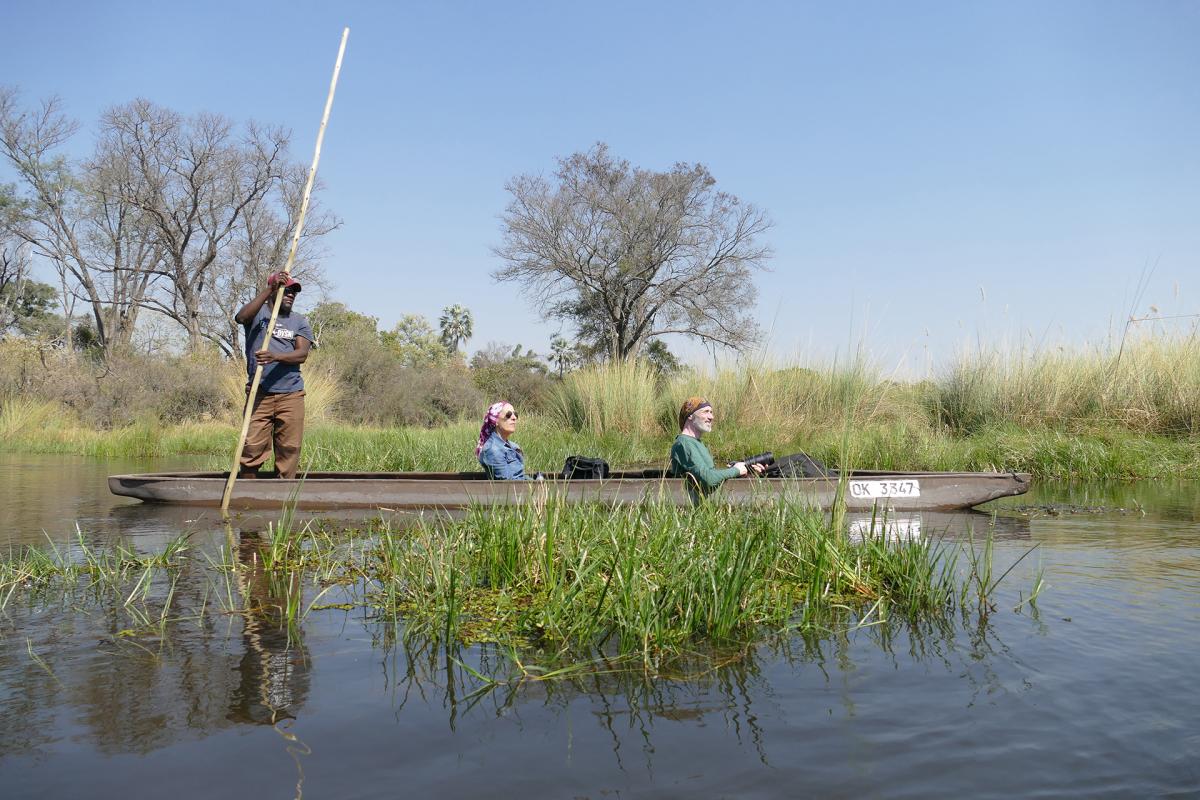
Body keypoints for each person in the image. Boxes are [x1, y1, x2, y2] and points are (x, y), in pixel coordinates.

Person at [233, 272, 313, 479]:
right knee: (252, 446)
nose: (291, 295)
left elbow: (302, 354)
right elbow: (241, 317)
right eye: (286, 290)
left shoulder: (299, 321)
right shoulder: (258, 315)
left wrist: (274, 356)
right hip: (260, 392)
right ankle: (247, 493)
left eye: (294, 292)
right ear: (274, 290)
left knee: (289, 448)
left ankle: (283, 494)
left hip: (291, 394)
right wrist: (269, 288)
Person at [668, 396, 763, 500]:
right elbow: (708, 479)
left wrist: (746, 473)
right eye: (706, 412)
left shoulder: (695, 443)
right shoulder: (684, 444)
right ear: (690, 416)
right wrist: (736, 470)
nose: (711, 417)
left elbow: (709, 475)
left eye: (711, 412)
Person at [476, 401, 528, 480]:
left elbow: (521, 477)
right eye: (508, 415)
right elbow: (508, 484)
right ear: (496, 421)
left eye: (515, 414)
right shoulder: (492, 450)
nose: (514, 418)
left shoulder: (514, 446)